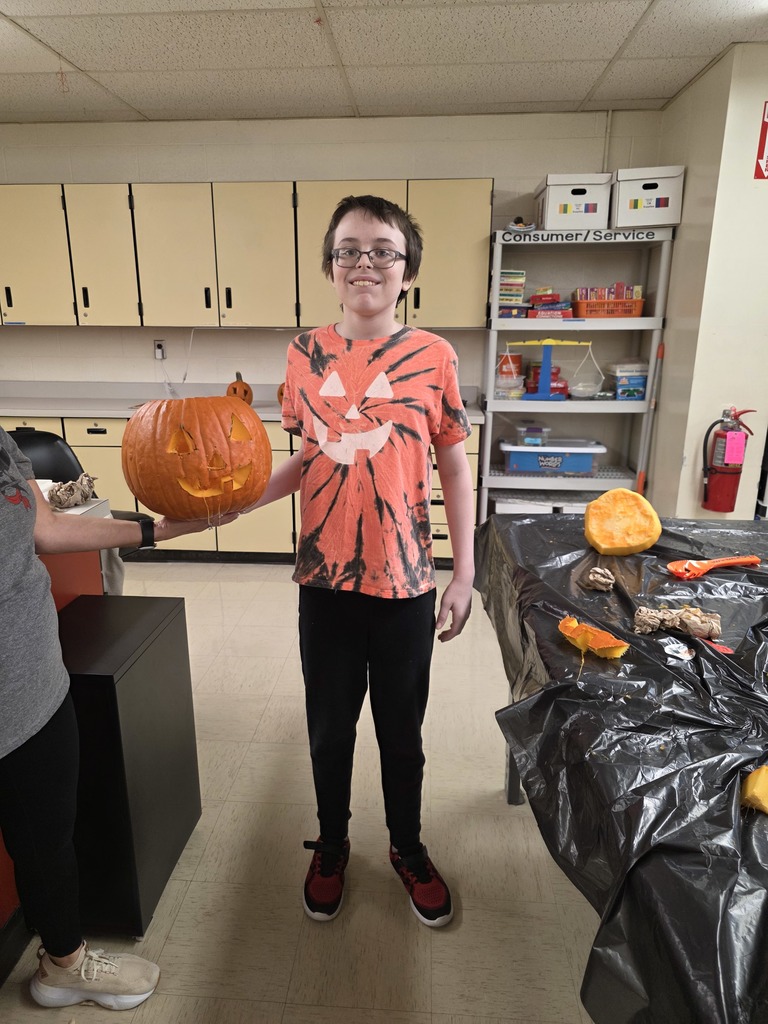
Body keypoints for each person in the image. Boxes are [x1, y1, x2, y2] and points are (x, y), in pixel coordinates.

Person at [248, 194, 475, 927]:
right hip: (325, 580)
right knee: (329, 729)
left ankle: (407, 846)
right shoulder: (303, 353)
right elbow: (312, 454)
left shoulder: (434, 356)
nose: (364, 263)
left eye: (382, 250)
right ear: (330, 266)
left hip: (406, 582)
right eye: (348, 249)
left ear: (408, 270)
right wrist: (238, 500)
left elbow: (454, 466)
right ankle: (333, 843)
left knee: (401, 735)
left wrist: (464, 572)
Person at [0, 427, 236, 1010]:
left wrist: (157, 531)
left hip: (36, 679)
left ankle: (64, 964)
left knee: (47, 836)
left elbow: (46, 529)